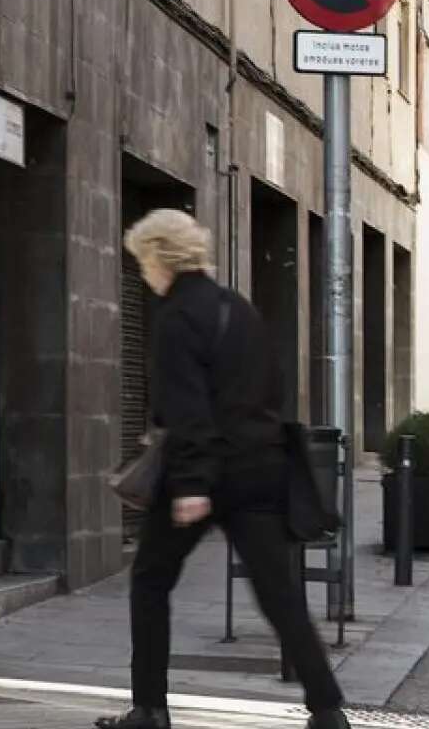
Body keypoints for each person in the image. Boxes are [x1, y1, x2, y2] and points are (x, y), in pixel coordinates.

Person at [97, 209, 347, 729]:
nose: (142, 271)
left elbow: (187, 408)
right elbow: (270, 391)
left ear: (158, 256)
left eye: (142, 260)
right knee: (280, 595)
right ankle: (327, 711)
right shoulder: (241, 310)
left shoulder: (175, 318)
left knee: (149, 579)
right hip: (261, 470)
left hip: (204, 472)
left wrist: (191, 484)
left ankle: (149, 709)